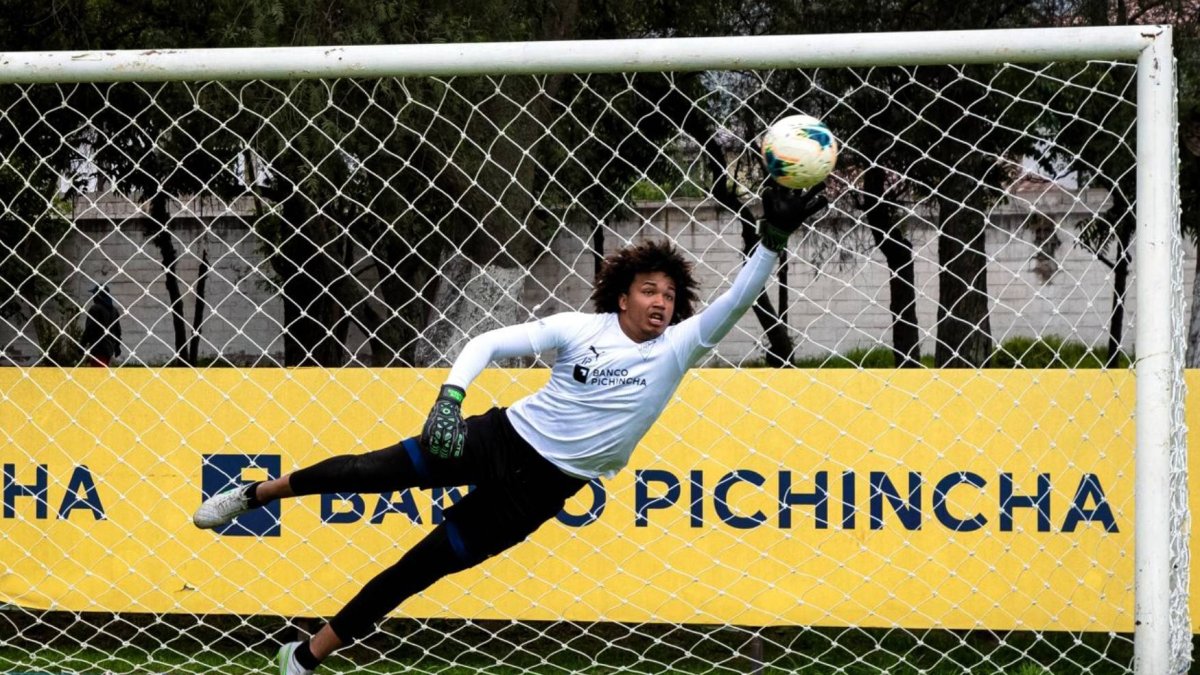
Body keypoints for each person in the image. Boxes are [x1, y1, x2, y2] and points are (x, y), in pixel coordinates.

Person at [192, 183, 828, 674]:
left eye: (669, 294)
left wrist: (771, 238)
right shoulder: (579, 330)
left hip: (542, 490)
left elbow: (740, 298)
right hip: (500, 438)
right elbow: (489, 341)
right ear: (623, 296)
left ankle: (302, 658)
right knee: (367, 474)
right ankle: (252, 495)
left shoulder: (681, 346)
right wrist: (449, 399)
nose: (662, 302)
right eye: (649, 290)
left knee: (419, 569)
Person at [81, 284, 122, 366]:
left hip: (98, 349)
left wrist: (82, 345)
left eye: (94, 294)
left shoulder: (95, 309)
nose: (93, 297)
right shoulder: (114, 311)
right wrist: (117, 347)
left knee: (98, 376)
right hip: (109, 350)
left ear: (98, 296)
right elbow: (118, 331)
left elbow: (89, 329)